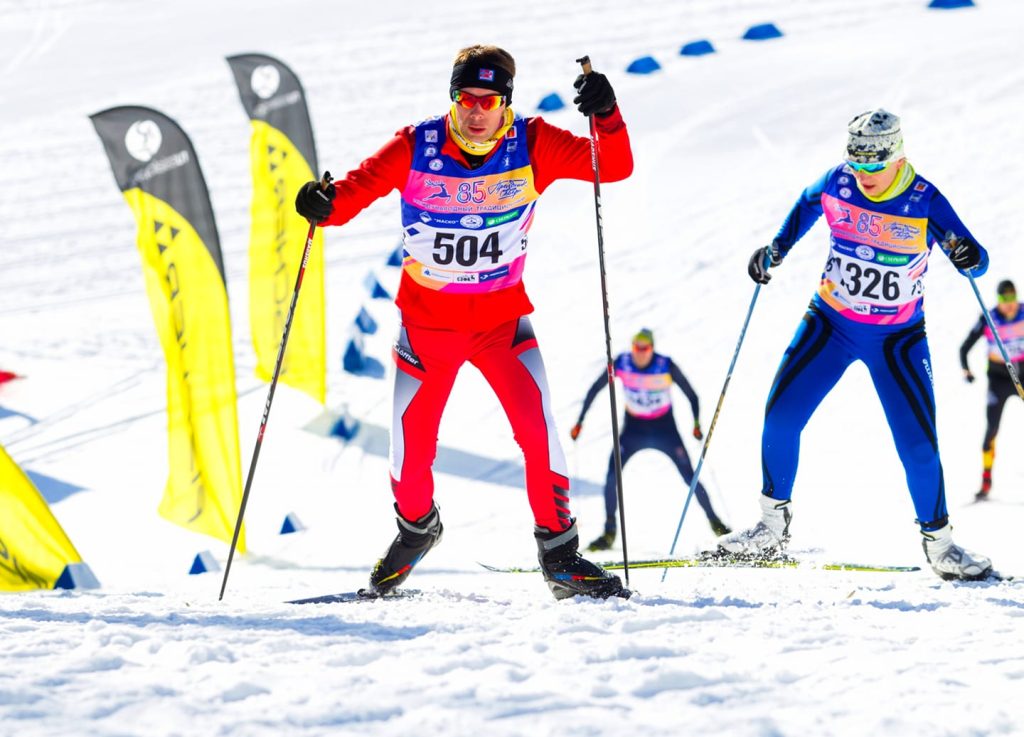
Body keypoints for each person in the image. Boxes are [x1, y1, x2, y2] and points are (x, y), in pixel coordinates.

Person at [294, 45, 634, 599]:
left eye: (489, 100)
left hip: (503, 324)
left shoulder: (534, 143)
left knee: (539, 431)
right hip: (428, 329)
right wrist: (320, 203)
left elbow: (612, 165)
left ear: (506, 102)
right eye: (466, 99)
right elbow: (350, 196)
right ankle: (417, 528)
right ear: (454, 99)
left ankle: (560, 555)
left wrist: (606, 115)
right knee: (410, 449)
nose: (476, 112)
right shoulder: (415, 145)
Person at [719, 109, 995, 581]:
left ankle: (942, 546)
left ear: (897, 155)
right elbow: (808, 204)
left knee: (918, 447)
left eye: (874, 165)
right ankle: (770, 528)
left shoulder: (924, 199)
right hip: (830, 324)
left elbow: (975, 260)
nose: (863, 175)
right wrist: (775, 250)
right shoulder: (839, 181)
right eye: (857, 163)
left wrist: (970, 256)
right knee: (780, 417)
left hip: (897, 339)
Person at [571, 328, 730, 551]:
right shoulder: (622, 363)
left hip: (664, 429)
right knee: (611, 476)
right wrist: (580, 421)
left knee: (690, 477)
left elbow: (692, 394)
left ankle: (718, 526)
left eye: (645, 349)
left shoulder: (665, 365)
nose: (640, 353)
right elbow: (595, 389)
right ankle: (608, 533)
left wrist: (696, 424)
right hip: (634, 429)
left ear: (652, 349)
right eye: (637, 348)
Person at [959, 279, 1024, 500]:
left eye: (1012, 298)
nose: (1010, 304)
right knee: (992, 428)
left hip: (1022, 376)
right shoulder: (989, 318)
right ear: (999, 300)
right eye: (1005, 299)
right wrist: (966, 370)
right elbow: (964, 347)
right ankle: (986, 479)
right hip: (998, 380)